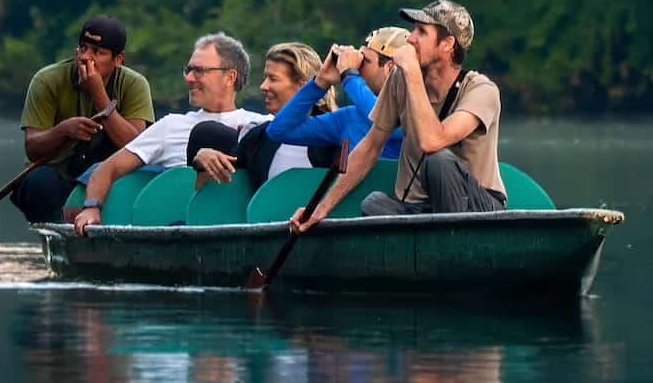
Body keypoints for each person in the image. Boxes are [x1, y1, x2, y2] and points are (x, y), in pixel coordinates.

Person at [290, 0, 502, 232]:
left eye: (421, 32)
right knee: (374, 204)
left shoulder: (481, 90)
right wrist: (320, 209)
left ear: (447, 44)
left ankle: (453, 248)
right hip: (421, 208)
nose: (410, 39)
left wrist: (411, 71)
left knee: (437, 161)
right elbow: (370, 146)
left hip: (477, 210)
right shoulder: (400, 80)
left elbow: (432, 142)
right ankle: (430, 248)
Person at [70, 32, 267, 232]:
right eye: (188, 70)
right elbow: (107, 169)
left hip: (240, 222)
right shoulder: (170, 126)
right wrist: (91, 208)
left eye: (199, 71)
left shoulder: (262, 125)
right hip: (180, 226)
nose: (189, 78)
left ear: (230, 77)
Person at [12, 15, 154, 225]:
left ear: (117, 59)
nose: (85, 57)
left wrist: (99, 96)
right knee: (38, 183)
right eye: (82, 48)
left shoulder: (134, 85)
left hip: (106, 180)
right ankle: (60, 232)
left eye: (97, 52)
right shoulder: (47, 80)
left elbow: (137, 147)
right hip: (57, 179)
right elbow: (32, 148)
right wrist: (62, 131)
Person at [262, 24, 409, 171]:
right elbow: (279, 131)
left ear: (390, 67)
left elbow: (385, 122)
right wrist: (319, 83)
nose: (358, 67)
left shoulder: (417, 110)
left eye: (365, 61)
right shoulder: (349, 117)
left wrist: (349, 76)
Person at [191, 41, 334, 192]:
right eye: (265, 78)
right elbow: (218, 196)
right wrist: (203, 161)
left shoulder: (336, 134)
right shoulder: (258, 138)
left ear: (303, 86)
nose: (263, 86)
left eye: (273, 79)